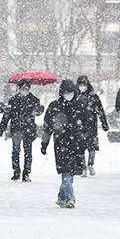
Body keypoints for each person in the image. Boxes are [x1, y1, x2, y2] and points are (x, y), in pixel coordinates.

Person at [41, 79, 86, 208]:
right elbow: (47, 127)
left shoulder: (79, 106)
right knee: (65, 171)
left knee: (71, 174)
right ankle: (71, 198)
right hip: (61, 144)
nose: (69, 94)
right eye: (66, 92)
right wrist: (44, 143)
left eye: (71, 92)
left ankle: (62, 197)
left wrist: (85, 140)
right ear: (62, 93)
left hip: (76, 145)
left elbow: (85, 125)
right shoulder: (54, 106)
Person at [0, 79, 44, 182]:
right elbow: (7, 115)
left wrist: (40, 109)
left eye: (27, 88)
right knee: (15, 152)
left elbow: (38, 112)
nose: (25, 90)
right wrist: (1, 128)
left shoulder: (34, 99)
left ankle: (26, 173)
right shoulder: (13, 100)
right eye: (23, 88)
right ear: (18, 89)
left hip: (28, 130)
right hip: (16, 129)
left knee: (28, 153)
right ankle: (16, 172)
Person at [76, 75, 109, 177]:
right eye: (80, 85)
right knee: (80, 149)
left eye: (84, 84)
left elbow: (100, 110)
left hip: (91, 126)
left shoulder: (93, 97)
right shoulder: (75, 96)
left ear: (87, 84)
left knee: (92, 148)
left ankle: (90, 165)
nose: (82, 86)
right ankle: (83, 168)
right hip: (78, 127)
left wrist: (104, 123)